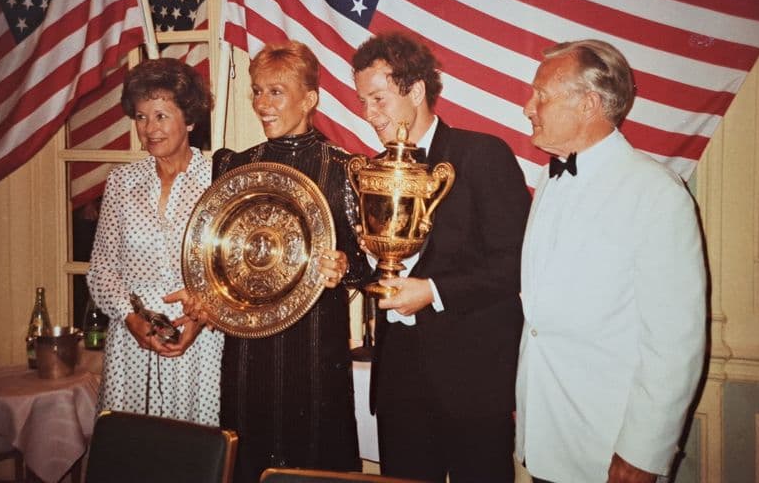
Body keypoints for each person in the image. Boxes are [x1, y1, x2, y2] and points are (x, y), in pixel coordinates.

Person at [515, 39, 707, 483]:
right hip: (547, 432)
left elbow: (675, 343)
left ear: (588, 104)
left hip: (609, 447)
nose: (529, 107)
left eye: (541, 95)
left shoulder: (655, 192)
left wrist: (643, 453)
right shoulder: (551, 176)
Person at [352, 32, 531, 482]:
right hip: (398, 386)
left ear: (415, 91)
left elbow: (514, 263)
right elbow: (378, 268)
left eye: (378, 99)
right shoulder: (375, 170)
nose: (368, 114)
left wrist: (431, 291)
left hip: (471, 385)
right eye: (363, 101)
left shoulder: (482, 154)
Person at [205, 40, 369, 483]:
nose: (262, 103)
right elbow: (214, 250)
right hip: (247, 348)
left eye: (276, 92)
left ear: (309, 99)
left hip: (314, 347)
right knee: (247, 458)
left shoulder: (346, 168)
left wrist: (343, 266)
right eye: (257, 91)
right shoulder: (234, 166)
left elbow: (368, 264)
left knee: (312, 463)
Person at [87, 58, 223, 425]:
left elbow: (232, 272)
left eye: (161, 115)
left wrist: (201, 315)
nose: (149, 129)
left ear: (190, 119)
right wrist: (129, 317)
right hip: (131, 341)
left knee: (195, 456)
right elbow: (101, 269)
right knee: (133, 456)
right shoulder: (121, 182)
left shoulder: (219, 180)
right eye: (141, 117)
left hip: (200, 339)